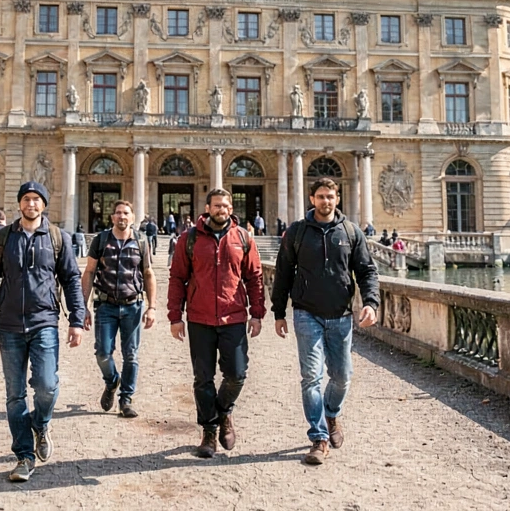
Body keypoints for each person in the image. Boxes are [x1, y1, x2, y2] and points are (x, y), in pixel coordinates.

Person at [0, 181, 86, 483]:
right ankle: (24, 455)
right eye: (26, 199)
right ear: (19, 204)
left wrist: (77, 319)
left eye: (37, 199)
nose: (31, 204)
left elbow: (72, 280)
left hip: (44, 321)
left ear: (44, 205)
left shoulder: (57, 238)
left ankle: (42, 423)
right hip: (8, 325)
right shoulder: (3, 238)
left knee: (47, 386)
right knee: (15, 395)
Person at [273, 177, 379, 465]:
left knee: (342, 376)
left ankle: (332, 412)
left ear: (337, 198)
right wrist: (279, 312)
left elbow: (367, 271)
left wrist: (371, 302)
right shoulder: (297, 232)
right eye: (320, 196)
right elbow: (283, 273)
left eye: (330, 196)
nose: (326, 201)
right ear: (311, 199)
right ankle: (318, 437)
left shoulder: (351, 232)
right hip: (306, 313)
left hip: (341, 316)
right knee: (311, 377)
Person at [167, 188, 265, 459]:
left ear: (231, 209)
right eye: (216, 205)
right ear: (207, 208)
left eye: (225, 206)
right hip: (199, 317)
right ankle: (209, 431)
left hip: (233, 316)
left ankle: (224, 412)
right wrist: (175, 316)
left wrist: (257, 313)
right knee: (203, 378)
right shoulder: (189, 239)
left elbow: (255, 277)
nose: (221, 209)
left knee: (237, 374)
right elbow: (177, 278)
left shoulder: (243, 238)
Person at [82, 200, 157, 418]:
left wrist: (152, 307)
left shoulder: (141, 242)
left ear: (133, 217)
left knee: (131, 355)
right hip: (106, 305)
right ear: (112, 217)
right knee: (103, 353)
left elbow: (149, 274)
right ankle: (112, 381)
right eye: (117, 213)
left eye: (126, 213)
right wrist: (83, 307)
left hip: (133, 305)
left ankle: (126, 399)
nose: (121, 216)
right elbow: (88, 272)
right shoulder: (101, 240)